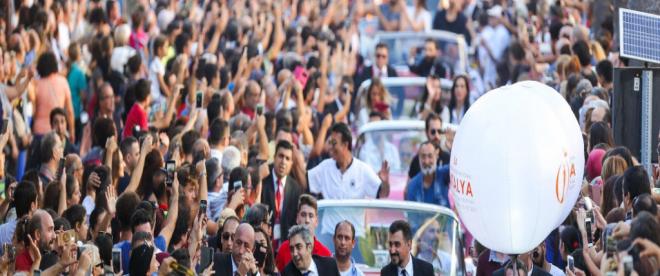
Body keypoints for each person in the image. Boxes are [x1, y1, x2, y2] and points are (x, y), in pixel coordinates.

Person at [308, 123, 389, 247]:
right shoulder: (325, 167)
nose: (330, 147)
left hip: (354, 238)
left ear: (345, 145)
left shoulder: (363, 170)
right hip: (329, 236)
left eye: (334, 143)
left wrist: (385, 182)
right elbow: (305, 181)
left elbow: (383, 193)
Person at [261, 140, 304, 244]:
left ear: (291, 163)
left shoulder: (295, 189)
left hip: (286, 245)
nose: (283, 161)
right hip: (265, 242)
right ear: (274, 157)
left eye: (287, 158)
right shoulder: (263, 183)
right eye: (281, 156)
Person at [275, 194, 332, 272]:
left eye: (311, 216)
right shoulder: (284, 249)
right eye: (303, 215)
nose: (307, 220)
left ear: (316, 221)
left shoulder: (325, 254)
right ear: (297, 218)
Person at [405, 142, 450, 207]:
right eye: (423, 156)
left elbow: (458, 168)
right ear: (419, 158)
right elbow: (412, 215)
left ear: (436, 155)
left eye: (430, 156)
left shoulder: (444, 174)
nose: (426, 161)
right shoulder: (412, 185)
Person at [407, 113, 450, 180]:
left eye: (439, 131)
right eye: (433, 132)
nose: (436, 135)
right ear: (426, 133)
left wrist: (452, 149)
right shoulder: (417, 160)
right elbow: (408, 188)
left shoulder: (448, 158)